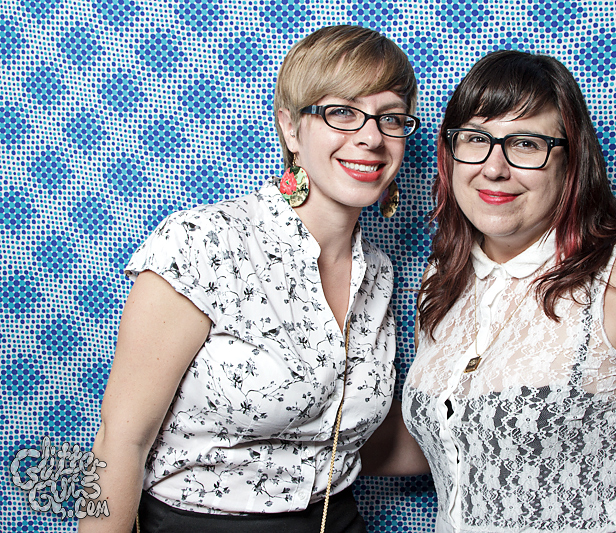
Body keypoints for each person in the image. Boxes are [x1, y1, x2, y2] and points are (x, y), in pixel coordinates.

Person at [366, 50, 616, 532]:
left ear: (571, 161)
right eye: (475, 139)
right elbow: (458, 441)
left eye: (526, 144)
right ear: (450, 154)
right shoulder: (443, 284)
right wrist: (304, 449)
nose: (494, 168)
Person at [79, 25, 419, 533]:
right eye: (342, 112)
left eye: (389, 117)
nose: (371, 137)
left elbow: (353, 437)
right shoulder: (203, 242)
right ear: (290, 128)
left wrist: (498, 443)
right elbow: (119, 442)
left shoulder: (380, 273)